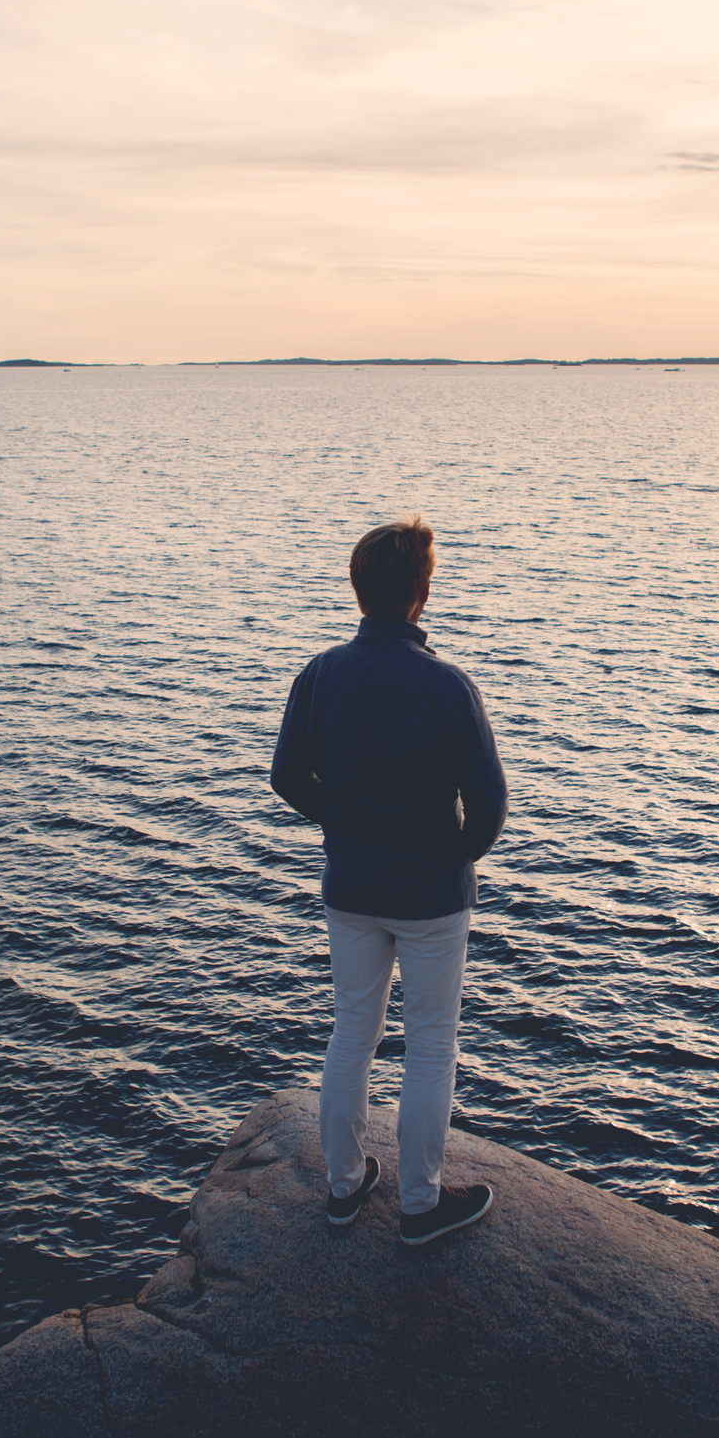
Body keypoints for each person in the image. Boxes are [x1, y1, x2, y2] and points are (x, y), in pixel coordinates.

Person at [269, 516, 508, 1246]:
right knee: (431, 1044)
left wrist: (341, 824)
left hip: (352, 886)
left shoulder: (321, 673)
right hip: (431, 895)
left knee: (352, 1034)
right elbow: (491, 802)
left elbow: (286, 775)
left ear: (358, 588)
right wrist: (452, 855)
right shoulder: (446, 686)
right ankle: (419, 1204)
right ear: (422, 593)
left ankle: (343, 1188)